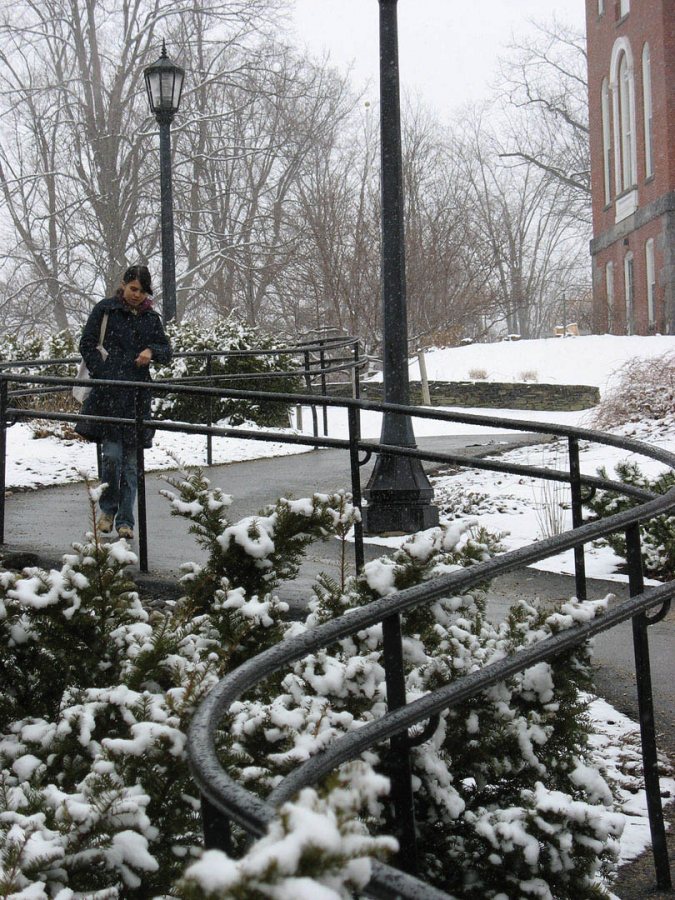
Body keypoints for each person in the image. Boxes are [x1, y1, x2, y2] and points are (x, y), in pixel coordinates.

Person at [76, 265, 172, 539]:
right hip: (109, 395)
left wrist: (150, 351)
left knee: (131, 465)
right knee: (112, 458)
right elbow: (87, 343)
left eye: (141, 291)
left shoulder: (151, 318)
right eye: (133, 289)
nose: (136, 295)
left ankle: (126, 521)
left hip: (137, 398)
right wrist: (103, 371)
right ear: (124, 284)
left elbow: (166, 351)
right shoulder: (106, 310)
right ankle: (107, 510)